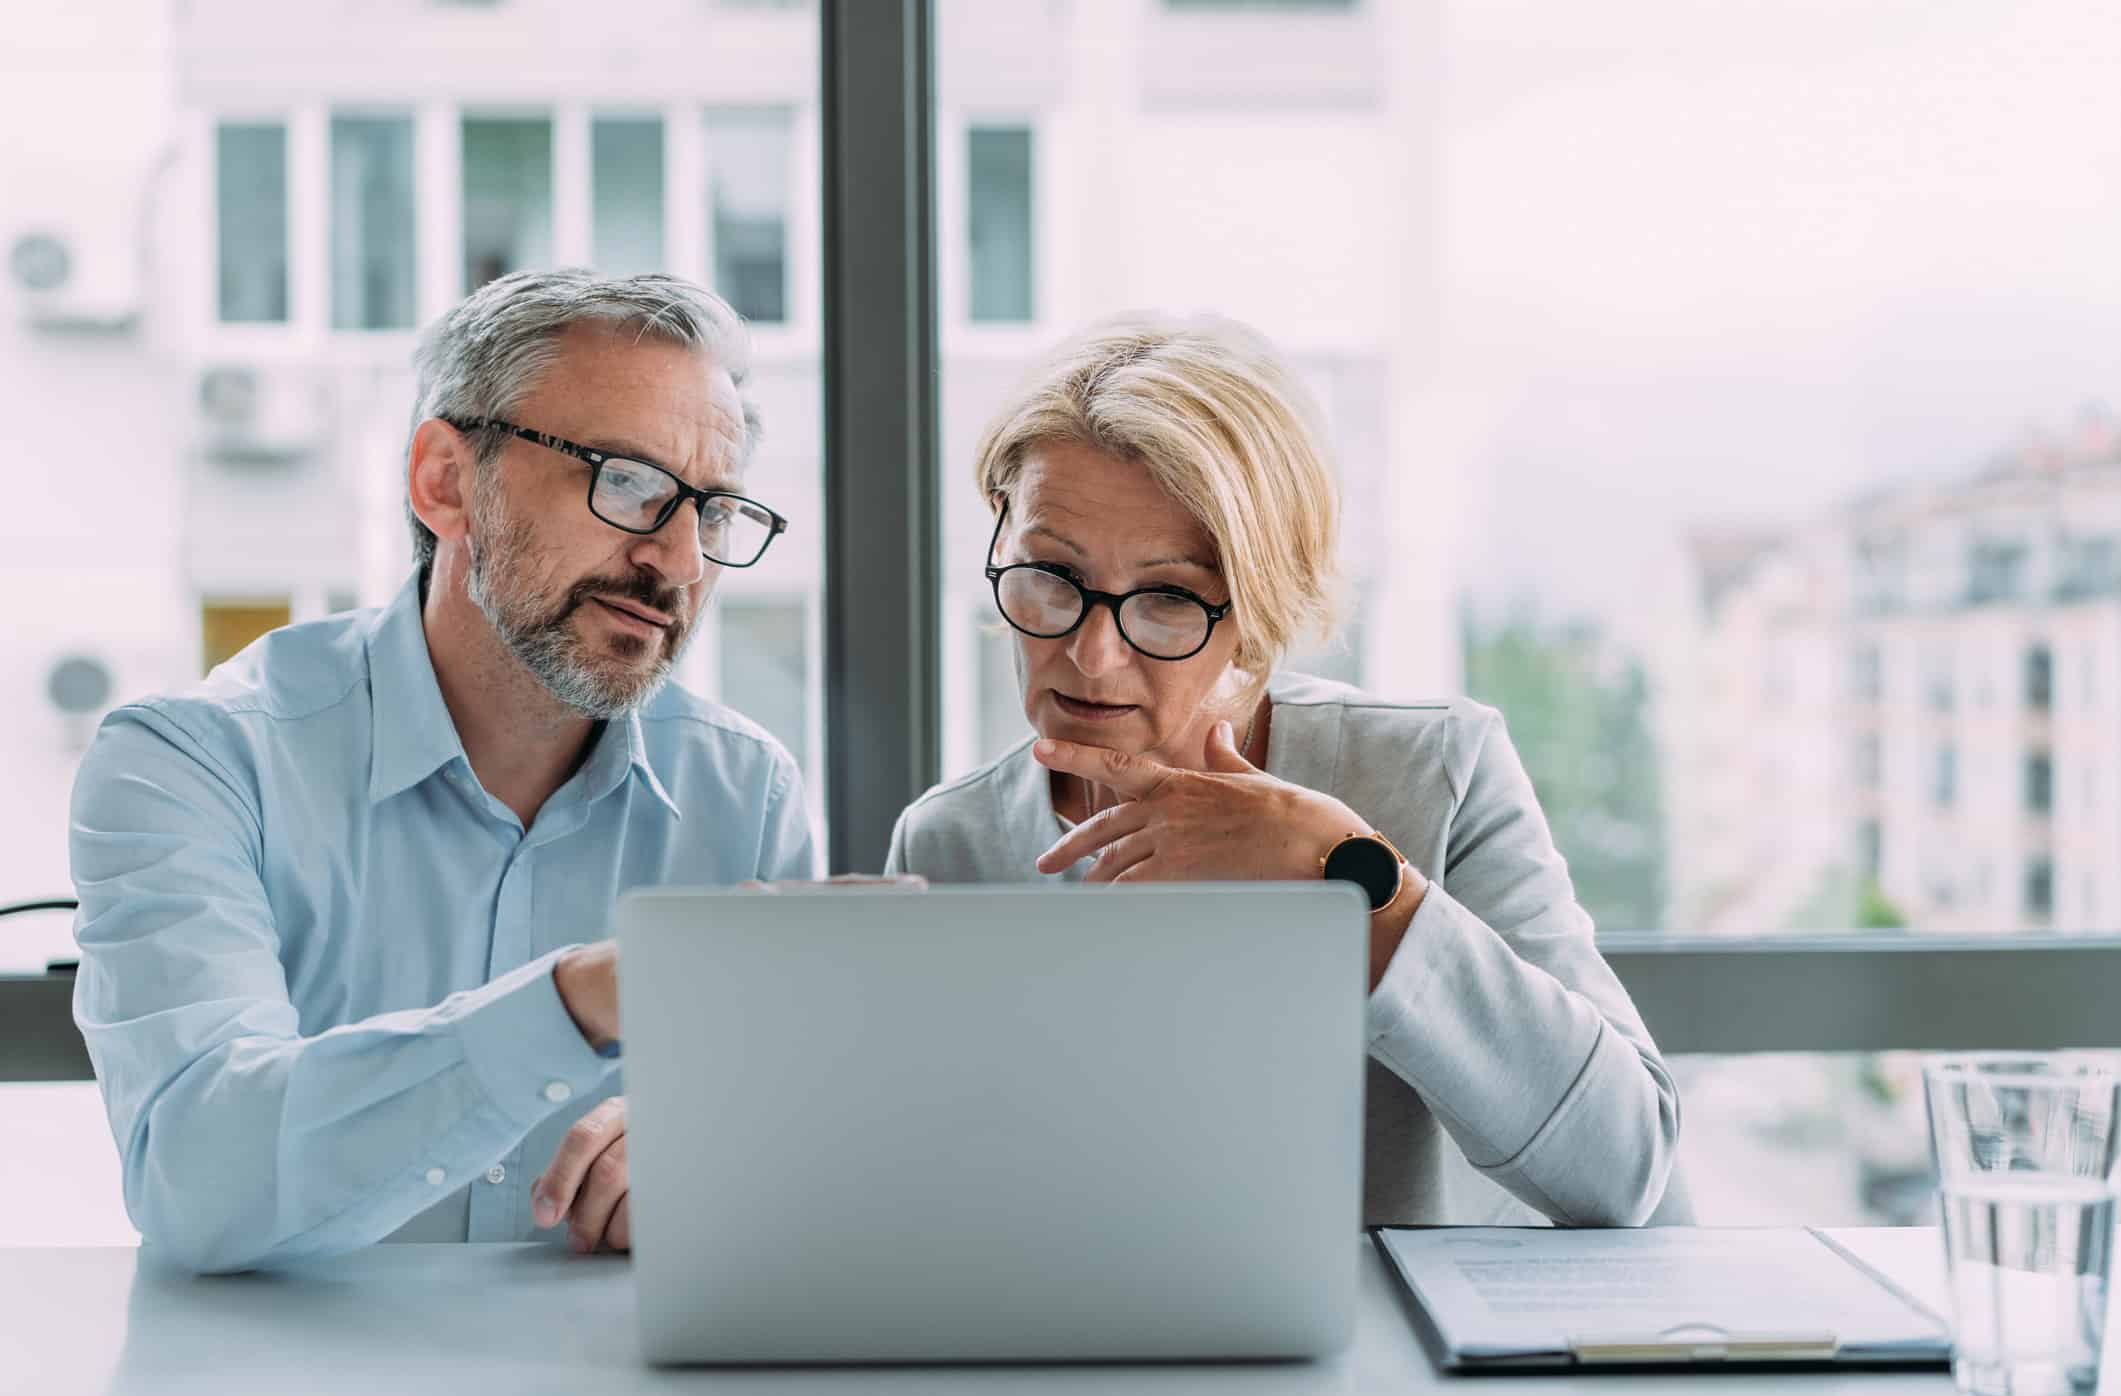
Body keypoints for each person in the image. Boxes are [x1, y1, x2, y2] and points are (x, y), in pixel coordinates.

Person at [70, 269, 813, 1273]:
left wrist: (730, 1163)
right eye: (628, 482)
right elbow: (199, 1176)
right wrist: (576, 1000)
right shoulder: (193, 762)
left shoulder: (746, 796)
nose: (678, 562)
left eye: (715, 512)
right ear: (445, 482)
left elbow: (788, 1171)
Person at [886, 312, 1680, 1227]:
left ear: (1262, 606)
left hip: (1404, 1359)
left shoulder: (1432, 771)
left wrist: (1348, 871)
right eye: (1052, 579)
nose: (1092, 653)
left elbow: (1622, 1165)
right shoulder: (950, 838)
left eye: (1170, 597)